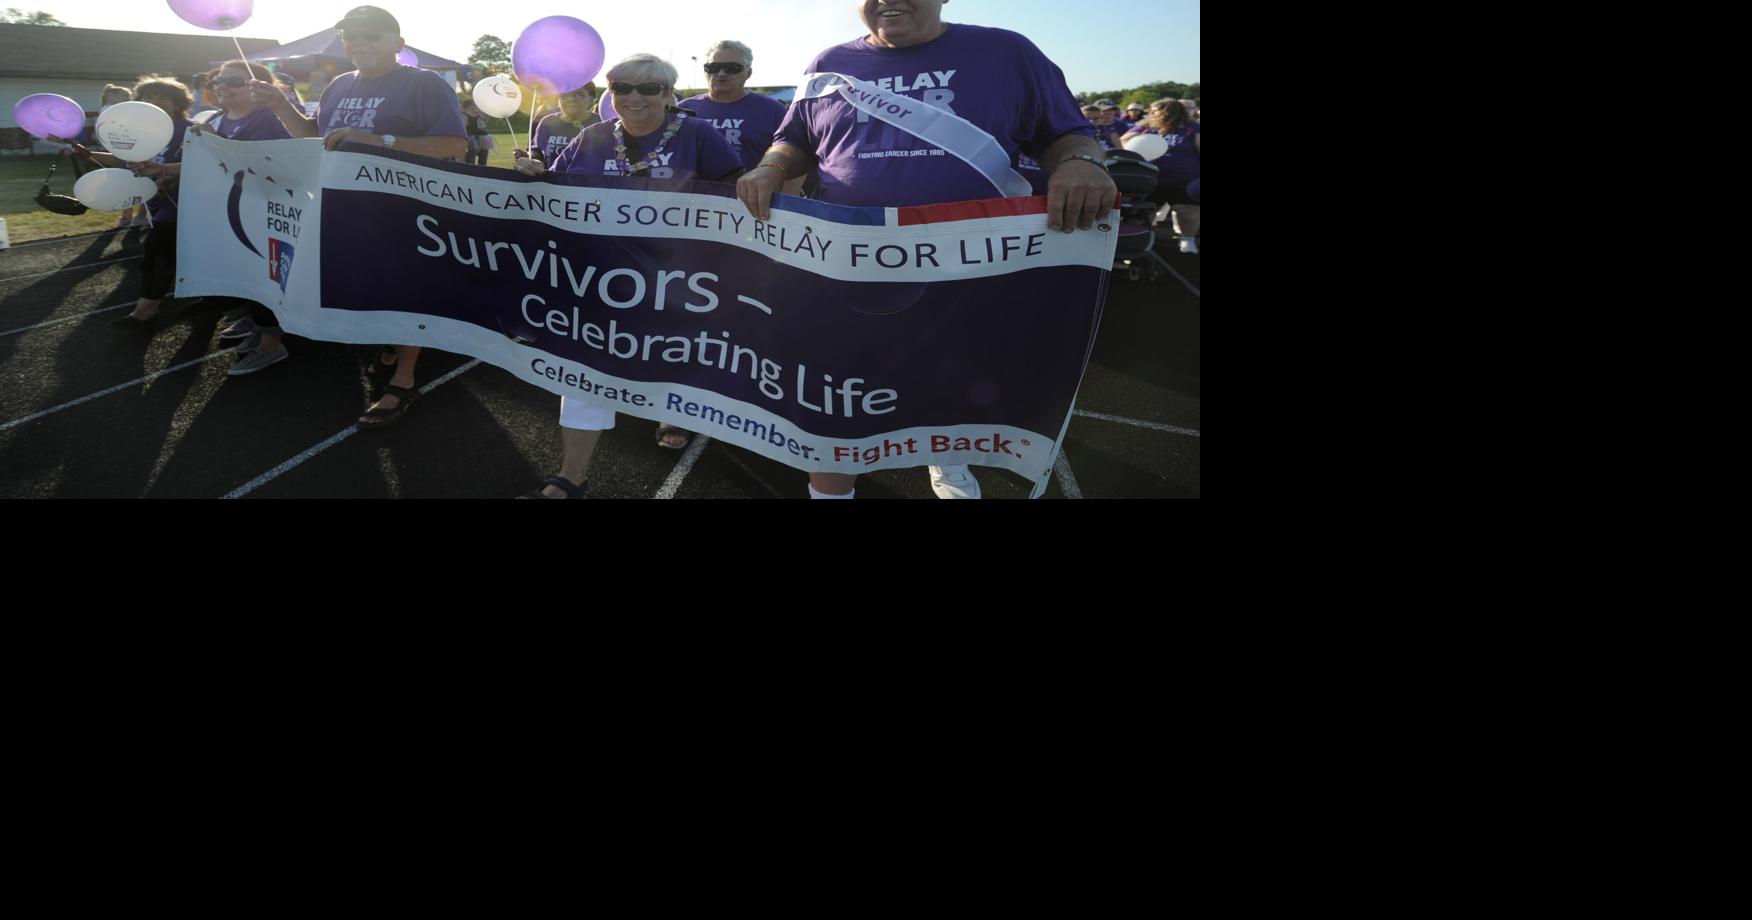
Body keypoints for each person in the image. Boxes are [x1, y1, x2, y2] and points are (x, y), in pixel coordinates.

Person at [736, 0, 1115, 500]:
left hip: (968, 261)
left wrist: (1082, 162)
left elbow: (1067, 133)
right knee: (833, 380)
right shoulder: (828, 61)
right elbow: (794, 140)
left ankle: (947, 458)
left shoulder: (1006, 51)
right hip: (844, 260)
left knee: (950, 370)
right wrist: (771, 167)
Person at [511, 53, 744, 498]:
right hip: (599, 281)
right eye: (623, 88)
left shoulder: (697, 133)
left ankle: (673, 414)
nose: (635, 97)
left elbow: (732, 193)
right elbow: (558, 192)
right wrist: (532, 174)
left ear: (668, 94)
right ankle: (570, 479)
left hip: (676, 282)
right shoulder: (593, 136)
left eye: (649, 88)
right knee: (582, 373)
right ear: (610, 94)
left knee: (673, 360)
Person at [248, 4, 467, 427]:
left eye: (373, 34)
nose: (360, 43)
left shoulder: (424, 84)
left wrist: (378, 139)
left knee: (407, 293)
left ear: (398, 44)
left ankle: (403, 380)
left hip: (406, 211)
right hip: (349, 210)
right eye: (352, 35)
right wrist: (279, 104)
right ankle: (390, 346)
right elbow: (316, 136)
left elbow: (453, 144)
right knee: (373, 288)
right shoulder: (339, 84)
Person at [184, 60, 297, 374]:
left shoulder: (268, 120)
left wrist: (211, 141)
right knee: (245, 278)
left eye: (233, 81)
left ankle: (272, 346)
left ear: (257, 87)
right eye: (218, 79)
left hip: (261, 212)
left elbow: (264, 170)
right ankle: (261, 333)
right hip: (231, 211)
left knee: (265, 279)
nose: (222, 86)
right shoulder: (219, 117)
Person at [104, 76, 196, 329]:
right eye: (149, 97)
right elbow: (122, 159)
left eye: (164, 97)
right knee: (178, 254)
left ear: (178, 103)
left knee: (157, 252)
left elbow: (207, 165)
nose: (156, 102)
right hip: (155, 201)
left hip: (185, 202)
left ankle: (146, 311)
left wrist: (166, 172)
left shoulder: (191, 128)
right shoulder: (138, 131)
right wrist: (80, 150)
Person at [678, 41, 791, 173]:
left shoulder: (773, 110)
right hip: (696, 193)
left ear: (748, 73)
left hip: (750, 193)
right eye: (713, 67)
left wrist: (783, 193)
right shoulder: (683, 109)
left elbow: (792, 155)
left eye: (731, 68)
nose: (721, 73)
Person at [1122, 98, 1198, 253]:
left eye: (1154, 111)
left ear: (1167, 112)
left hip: (1183, 180)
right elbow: (1124, 140)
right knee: (1145, 211)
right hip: (1150, 179)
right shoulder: (1149, 127)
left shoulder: (1192, 128)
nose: (1150, 114)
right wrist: (1145, 123)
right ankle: (1144, 238)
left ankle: (1187, 239)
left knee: (1187, 210)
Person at [522, 82, 599, 165]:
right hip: (551, 177)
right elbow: (536, 150)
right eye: (565, 95)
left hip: (589, 178)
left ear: (591, 98)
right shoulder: (547, 122)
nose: (571, 99)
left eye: (579, 94)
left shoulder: (601, 123)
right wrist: (532, 160)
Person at [460, 98, 492, 166]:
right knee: (472, 154)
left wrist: (482, 114)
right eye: (474, 104)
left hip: (482, 137)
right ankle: (470, 171)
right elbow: (463, 127)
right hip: (471, 136)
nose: (476, 106)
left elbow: (484, 123)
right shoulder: (463, 114)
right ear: (469, 105)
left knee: (484, 154)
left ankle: (483, 172)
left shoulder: (477, 114)